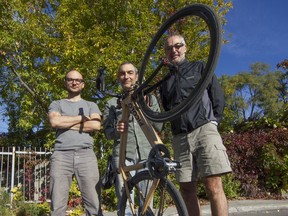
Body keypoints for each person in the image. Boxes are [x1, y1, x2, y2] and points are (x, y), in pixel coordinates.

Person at [159, 34, 232, 216]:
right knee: (186, 189)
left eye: (178, 46)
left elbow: (216, 95)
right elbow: (167, 109)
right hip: (180, 137)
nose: (173, 50)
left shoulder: (199, 67)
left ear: (185, 47)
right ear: (165, 53)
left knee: (213, 184)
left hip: (204, 129)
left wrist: (214, 121)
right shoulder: (164, 82)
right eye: (169, 48)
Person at [103, 62, 162, 215]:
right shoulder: (111, 103)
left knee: (147, 201)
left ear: (136, 76)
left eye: (130, 73)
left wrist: (146, 108)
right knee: (124, 200)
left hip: (147, 153)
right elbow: (107, 132)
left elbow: (160, 126)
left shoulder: (149, 98)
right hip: (123, 155)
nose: (126, 76)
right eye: (122, 73)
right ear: (118, 77)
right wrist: (116, 130)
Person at [48, 69, 102, 216]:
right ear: (66, 82)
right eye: (70, 79)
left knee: (94, 203)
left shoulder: (91, 105)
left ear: (83, 84)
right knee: (57, 204)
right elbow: (54, 121)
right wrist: (81, 118)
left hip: (86, 155)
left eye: (78, 80)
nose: (74, 82)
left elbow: (96, 125)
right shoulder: (56, 104)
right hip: (61, 155)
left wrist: (64, 122)